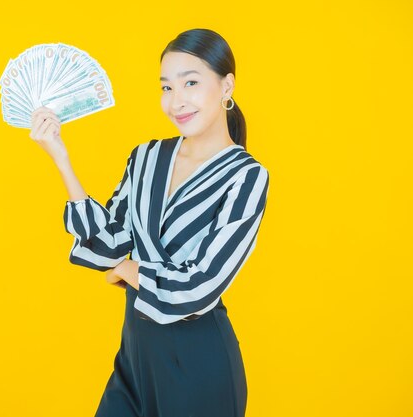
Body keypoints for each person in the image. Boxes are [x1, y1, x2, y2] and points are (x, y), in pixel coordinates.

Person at [29, 28, 269, 417]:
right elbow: (108, 242)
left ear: (227, 86)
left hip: (198, 364)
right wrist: (61, 158)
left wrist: (129, 269)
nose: (176, 101)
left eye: (190, 82)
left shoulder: (246, 177)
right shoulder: (146, 158)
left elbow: (200, 286)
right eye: (166, 88)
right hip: (135, 357)